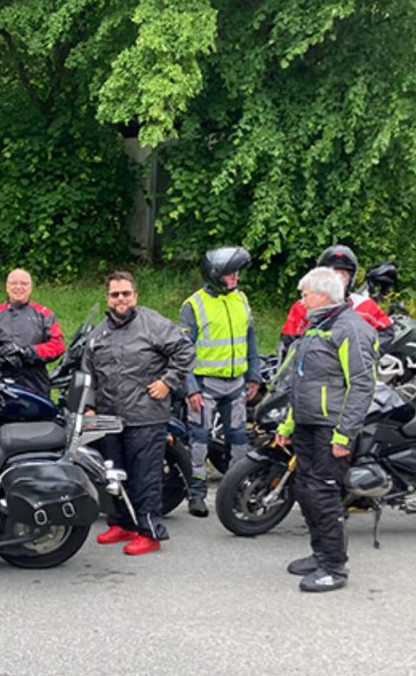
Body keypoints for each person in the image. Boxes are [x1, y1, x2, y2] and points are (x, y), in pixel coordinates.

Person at [274, 267, 376, 592]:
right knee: (305, 490)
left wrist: (344, 434)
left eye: (304, 294)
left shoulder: (350, 329)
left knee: (324, 495)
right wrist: (287, 424)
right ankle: (319, 555)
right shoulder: (317, 327)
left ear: (322, 295)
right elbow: (303, 382)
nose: (301, 301)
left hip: (331, 427)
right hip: (307, 425)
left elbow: (361, 385)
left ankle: (334, 567)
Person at [82, 271, 195, 555]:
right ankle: (123, 523)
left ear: (135, 296)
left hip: (145, 417)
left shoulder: (153, 323)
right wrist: (89, 406)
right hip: (109, 419)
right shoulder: (99, 333)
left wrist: (167, 382)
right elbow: (87, 372)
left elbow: (185, 350)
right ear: (107, 298)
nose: (120, 299)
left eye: (125, 293)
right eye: (115, 294)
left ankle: (149, 531)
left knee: (145, 477)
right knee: (114, 475)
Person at [179, 246, 261, 517]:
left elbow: (250, 339)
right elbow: (182, 351)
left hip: (235, 383)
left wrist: (253, 375)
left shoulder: (241, 299)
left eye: (237, 273)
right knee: (199, 441)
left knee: (239, 441)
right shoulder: (193, 305)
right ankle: (197, 494)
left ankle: (238, 491)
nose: (235, 278)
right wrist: (190, 387)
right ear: (215, 274)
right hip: (205, 386)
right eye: (229, 274)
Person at [280, 244, 392, 355]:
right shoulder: (304, 305)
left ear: (351, 278)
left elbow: (386, 333)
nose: (337, 279)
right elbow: (288, 344)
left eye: (343, 274)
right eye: (333, 273)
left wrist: (364, 351)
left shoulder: (364, 305)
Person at [0, 269, 65, 396]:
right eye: (13, 283)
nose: (18, 287)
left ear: (31, 287)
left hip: (35, 381)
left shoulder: (44, 315)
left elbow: (58, 346)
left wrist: (28, 352)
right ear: (7, 287)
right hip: (0, 381)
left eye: (24, 283)